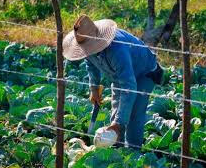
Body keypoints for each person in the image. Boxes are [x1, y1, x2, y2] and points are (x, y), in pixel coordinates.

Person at [62, 15, 164, 148]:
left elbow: (129, 86)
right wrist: (94, 88)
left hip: (144, 73)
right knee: (116, 112)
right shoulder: (88, 45)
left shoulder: (117, 49)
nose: (87, 50)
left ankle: (133, 152)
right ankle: (116, 150)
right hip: (119, 75)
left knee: (134, 115)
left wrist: (118, 124)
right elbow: (91, 64)